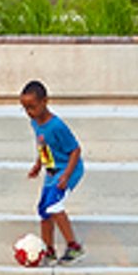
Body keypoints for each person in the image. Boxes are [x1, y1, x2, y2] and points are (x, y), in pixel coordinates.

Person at [18, 80, 84, 262]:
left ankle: (74, 246)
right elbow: (43, 144)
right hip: (52, 171)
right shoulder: (35, 122)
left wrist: (66, 176)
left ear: (45, 101)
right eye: (25, 108)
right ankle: (49, 250)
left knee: (54, 206)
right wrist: (39, 164)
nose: (29, 112)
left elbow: (75, 150)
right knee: (43, 211)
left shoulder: (57, 126)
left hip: (69, 169)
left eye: (32, 107)